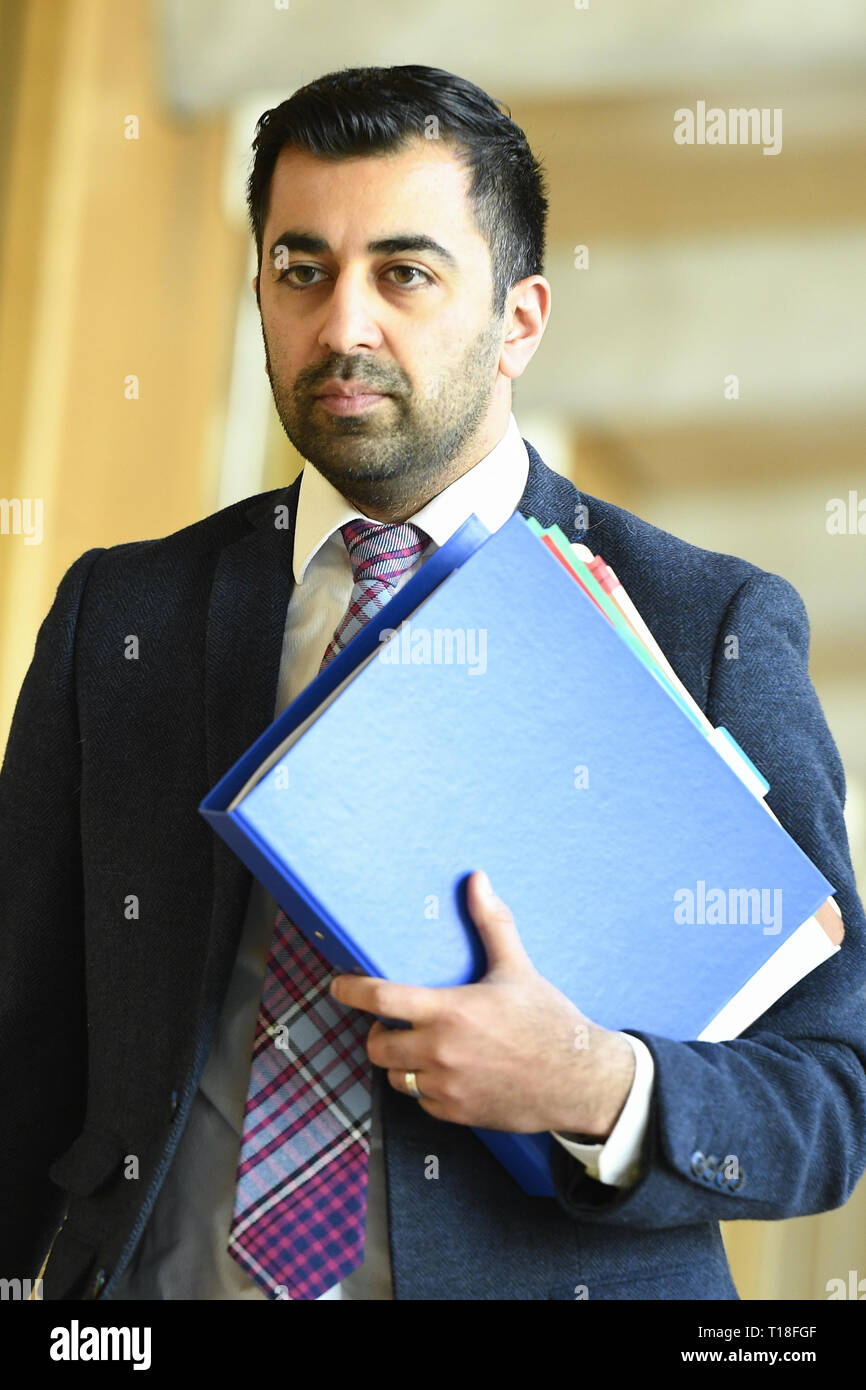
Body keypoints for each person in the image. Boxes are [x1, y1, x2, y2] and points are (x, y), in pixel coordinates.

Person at [2, 65, 864, 1303]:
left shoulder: (704, 621)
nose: (343, 323)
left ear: (519, 319)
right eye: (301, 269)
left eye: (404, 272)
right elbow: (22, 1038)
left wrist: (594, 1081)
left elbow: (831, 1091)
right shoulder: (122, 616)